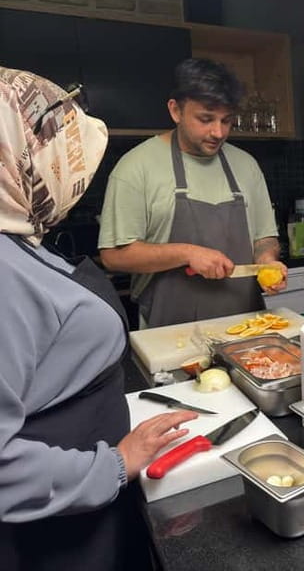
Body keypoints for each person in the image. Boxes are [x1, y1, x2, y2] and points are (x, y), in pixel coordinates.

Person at [0, 68, 197, 570]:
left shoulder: (17, 238)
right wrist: (115, 463)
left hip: (82, 506)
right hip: (55, 532)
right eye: (62, 158)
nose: (73, 180)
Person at [98, 58, 286, 328]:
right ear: (176, 111)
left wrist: (267, 261)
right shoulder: (135, 167)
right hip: (169, 331)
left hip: (246, 327)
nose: (218, 132)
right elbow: (113, 257)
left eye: (226, 121)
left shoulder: (246, 165)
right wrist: (187, 253)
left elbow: (264, 237)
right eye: (206, 119)